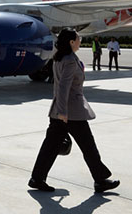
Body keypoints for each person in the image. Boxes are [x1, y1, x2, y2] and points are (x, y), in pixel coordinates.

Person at [29, 28, 119, 193]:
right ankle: (100, 180)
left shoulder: (58, 58)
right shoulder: (70, 60)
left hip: (59, 110)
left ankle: (37, 178)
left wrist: (59, 110)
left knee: (50, 146)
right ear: (71, 42)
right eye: (78, 39)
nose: (80, 41)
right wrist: (63, 112)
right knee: (88, 146)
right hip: (71, 112)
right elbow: (64, 86)